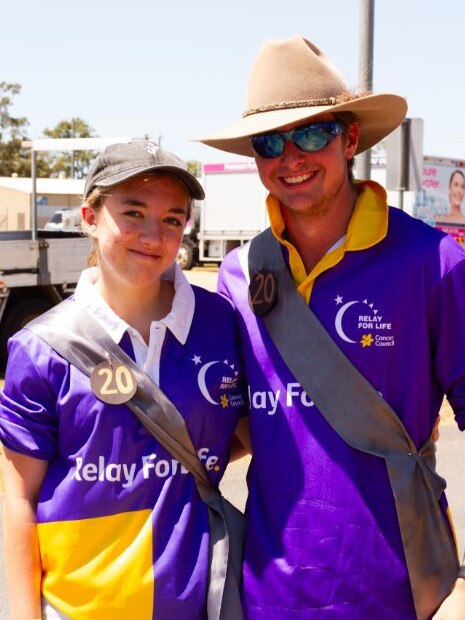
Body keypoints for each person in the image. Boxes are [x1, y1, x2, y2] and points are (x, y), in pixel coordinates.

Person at [196, 35, 465, 619]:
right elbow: (231, 427)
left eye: (313, 133)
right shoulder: (239, 275)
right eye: (270, 142)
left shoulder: (434, 262)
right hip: (267, 595)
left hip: (402, 594)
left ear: (349, 140)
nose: (291, 157)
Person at [0, 140, 246, 619]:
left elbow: (242, 432)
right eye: (133, 212)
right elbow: (17, 498)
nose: (153, 236)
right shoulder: (40, 347)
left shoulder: (222, 323)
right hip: (78, 608)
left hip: (198, 604)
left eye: (173, 219)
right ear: (89, 217)